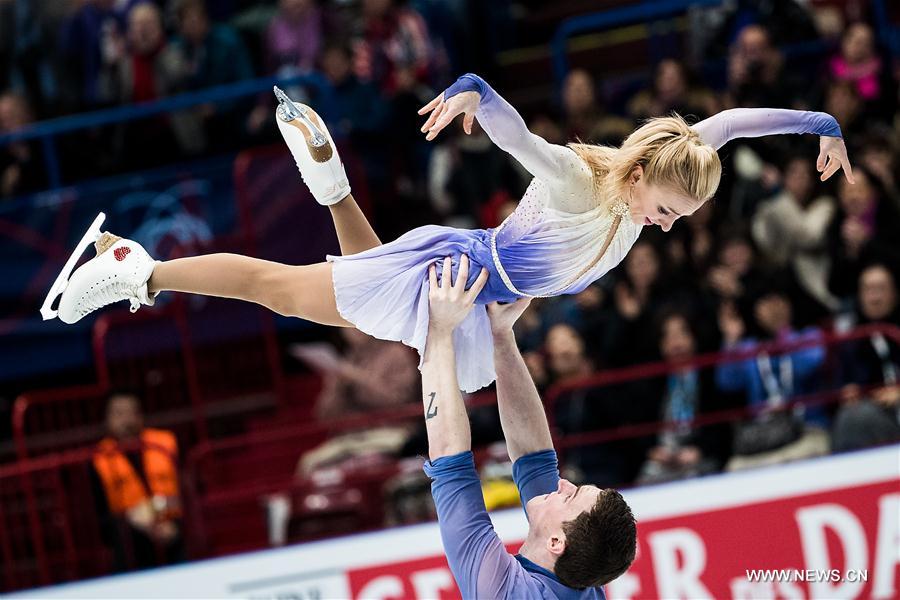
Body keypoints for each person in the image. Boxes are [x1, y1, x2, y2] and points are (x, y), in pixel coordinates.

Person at [46, 73, 854, 392]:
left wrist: (821, 121)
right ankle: (138, 266)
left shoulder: (668, 169)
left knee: (432, 357)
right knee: (281, 292)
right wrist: (477, 93)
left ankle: (332, 185)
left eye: (678, 219)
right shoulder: (583, 181)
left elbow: (736, 123)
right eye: (668, 212)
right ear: (641, 178)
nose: (668, 227)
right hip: (456, 278)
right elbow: (523, 144)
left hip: (477, 300)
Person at [421, 256, 636, 596]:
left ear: (555, 542)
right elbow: (535, 456)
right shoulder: (580, 567)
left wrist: (439, 331)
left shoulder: (505, 594)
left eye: (570, 496)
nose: (563, 483)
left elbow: (451, 466)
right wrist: (502, 336)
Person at [90, 390, 184, 571]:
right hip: (129, 541)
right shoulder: (99, 458)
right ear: (106, 420)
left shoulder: (165, 442)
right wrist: (133, 520)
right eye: (118, 413)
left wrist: (165, 518)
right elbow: (98, 513)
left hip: (173, 530)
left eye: (131, 412)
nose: (127, 421)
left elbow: (189, 491)